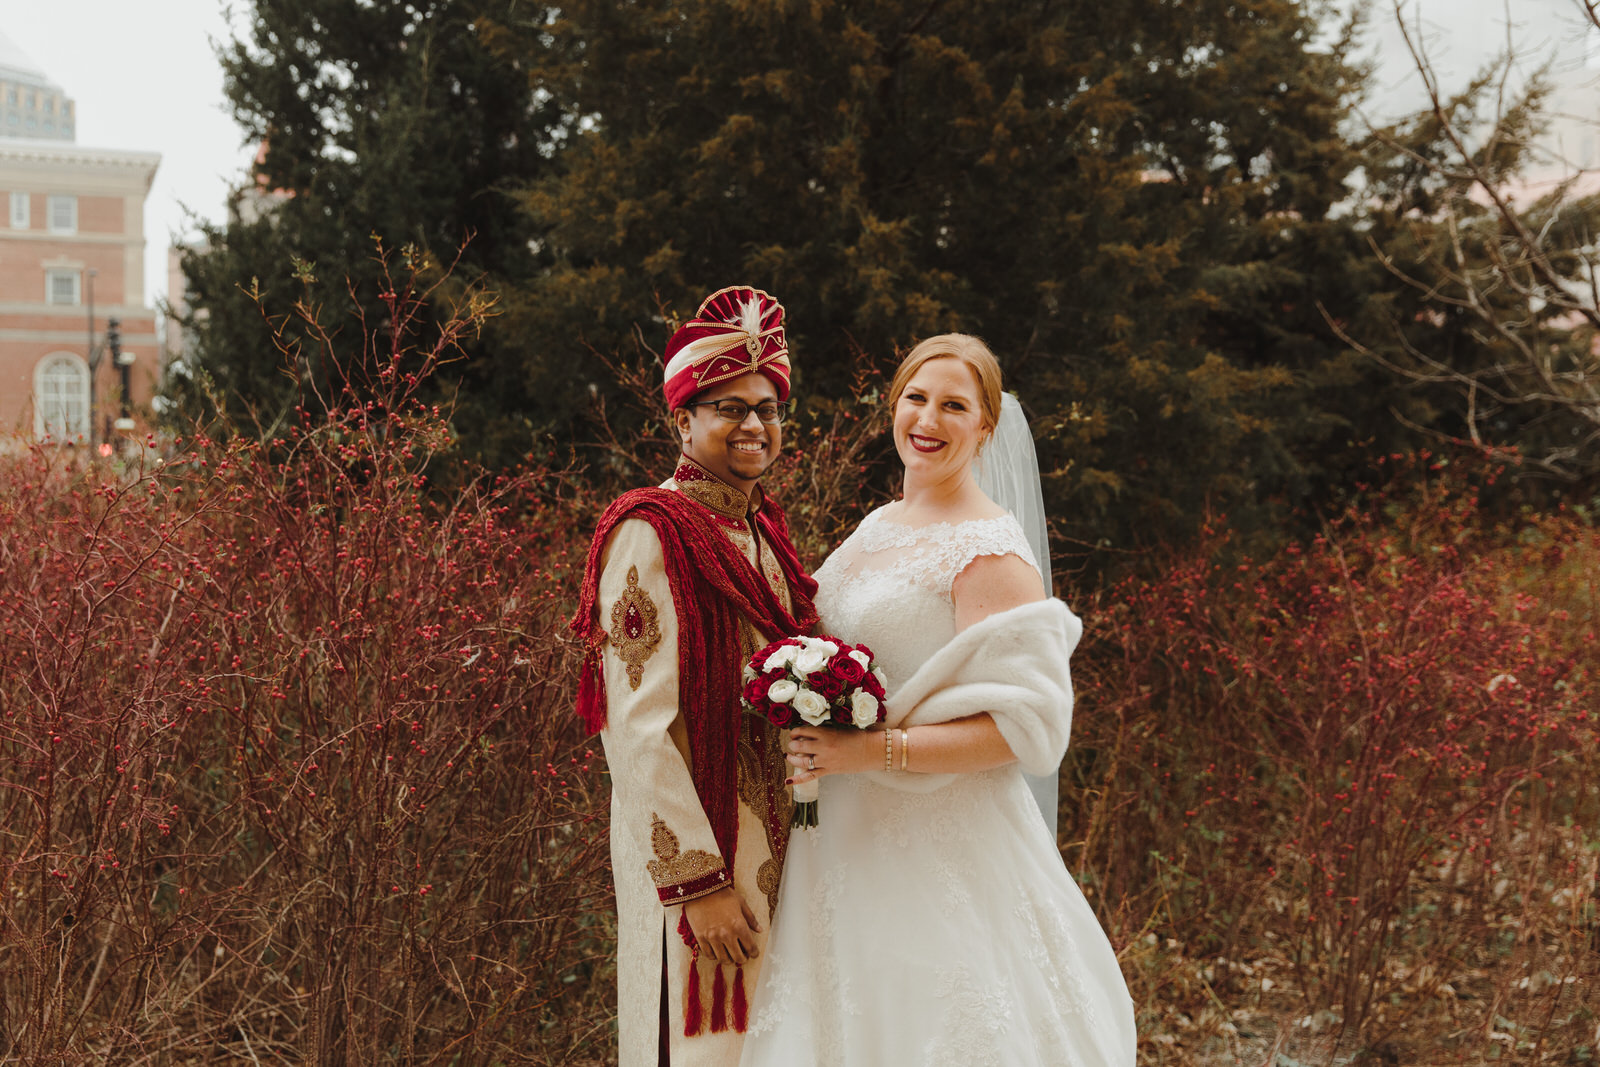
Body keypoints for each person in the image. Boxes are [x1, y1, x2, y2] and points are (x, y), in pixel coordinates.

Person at [739, 334, 1138, 1066]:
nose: (929, 418)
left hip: (938, 841)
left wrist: (870, 749)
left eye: (955, 404)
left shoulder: (989, 551)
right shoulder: (877, 526)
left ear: (986, 425)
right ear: (894, 406)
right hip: (842, 836)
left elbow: (1025, 726)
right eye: (917, 398)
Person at [571, 287, 820, 1065]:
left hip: (787, 842)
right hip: (706, 854)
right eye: (728, 408)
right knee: (703, 1044)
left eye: (767, 408)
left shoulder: (763, 535)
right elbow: (637, 725)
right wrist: (696, 883)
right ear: (684, 420)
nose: (754, 425)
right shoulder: (653, 532)